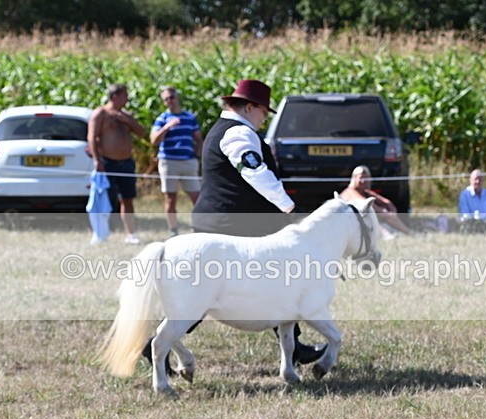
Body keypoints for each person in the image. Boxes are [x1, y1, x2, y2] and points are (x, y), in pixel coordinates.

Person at [192, 78, 326, 365]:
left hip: (221, 221)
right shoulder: (238, 133)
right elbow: (255, 172)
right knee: (278, 280)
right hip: (233, 225)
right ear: (249, 107)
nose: (264, 119)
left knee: (264, 283)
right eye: (264, 112)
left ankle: (294, 346)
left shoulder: (223, 129)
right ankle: (294, 347)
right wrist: (289, 207)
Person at [88, 83, 147, 244]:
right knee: (104, 199)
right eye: (124, 96)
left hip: (126, 163)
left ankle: (130, 234)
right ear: (114, 97)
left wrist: (127, 120)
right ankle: (101, 233)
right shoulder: (101, 113)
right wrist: (97, 160)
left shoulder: (126, 115)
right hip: (107, 163)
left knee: (127, 199)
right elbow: (92, 137)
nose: (127, 99)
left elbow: (142, 133)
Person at [150, 86, 203, 237]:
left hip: (188, 161)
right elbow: (154, 140)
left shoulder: (190, 118)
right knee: (171, 198)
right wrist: (167, 127)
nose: (169, 101)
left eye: (171, 97)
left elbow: (199, 139)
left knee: (196, 197)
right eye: (166, 99)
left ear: (177, 97)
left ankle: (200, 227)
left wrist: (197, 156)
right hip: (169, 162)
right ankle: (173, 230)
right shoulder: (162, 119)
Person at [341, 165, 412, 238]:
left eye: (365, 178)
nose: (363, 181)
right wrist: (385, 213)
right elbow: (367, 204)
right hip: (348, 224)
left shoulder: (365, 191)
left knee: (380, 215)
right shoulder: (350, 191)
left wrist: (392, 210)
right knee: (371, 216)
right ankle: (392, 233)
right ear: (354, 178)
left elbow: (386, 201)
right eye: (361, 178)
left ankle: (405, 232)